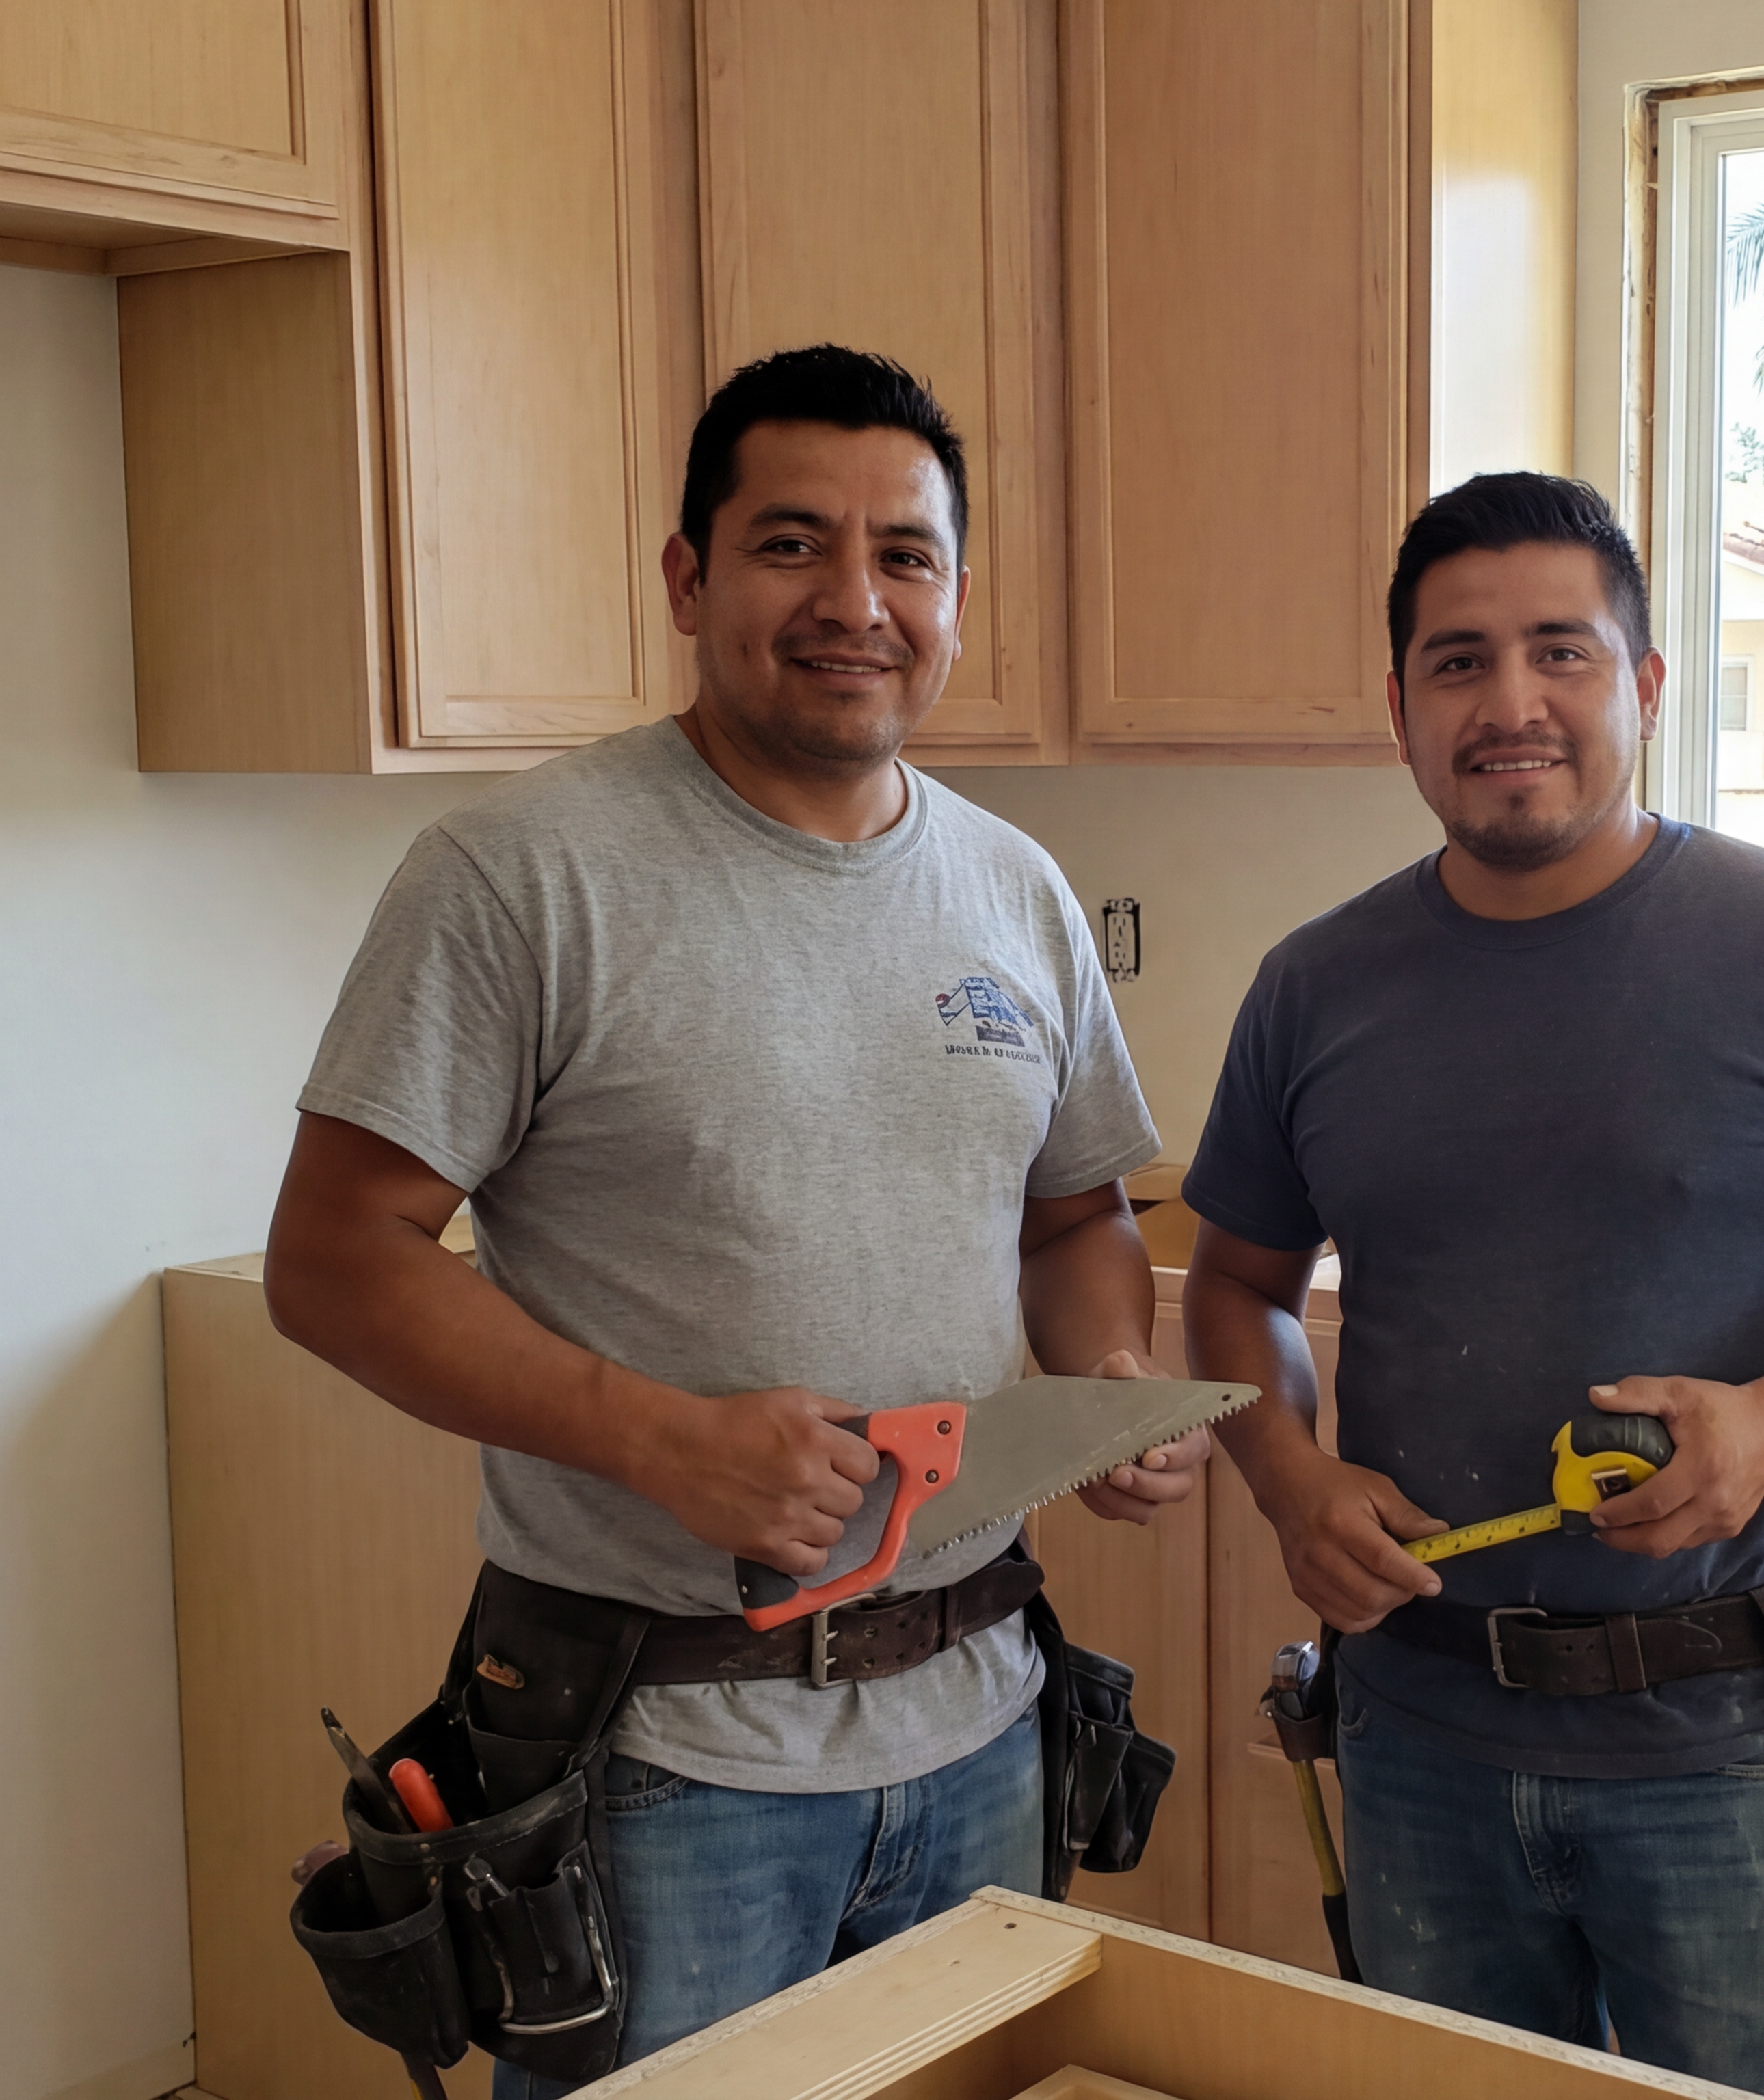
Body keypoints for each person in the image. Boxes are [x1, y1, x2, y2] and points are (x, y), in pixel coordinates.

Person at [264, 345, 1203, 2090]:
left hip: (984, 1714)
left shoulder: (1016, 887)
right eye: (790, 545)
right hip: (656, 1760)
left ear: (955, 599)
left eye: (904, 557)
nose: (855, 602)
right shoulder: (521, 876)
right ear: (689, 579)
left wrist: (1111, 1380)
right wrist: (658, 1439)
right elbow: (329, 1263)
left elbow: (1074, 1217)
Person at [1179, 472, 1764, 2099]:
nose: (1509, 703)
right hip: (1416, 1731)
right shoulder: (1311, 987)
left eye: (1560, 653)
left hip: (1732, 1748)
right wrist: (1290, 1480)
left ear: (1644, 685)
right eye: (1457, 662)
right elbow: (1233, 1286)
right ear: (1398, 707)